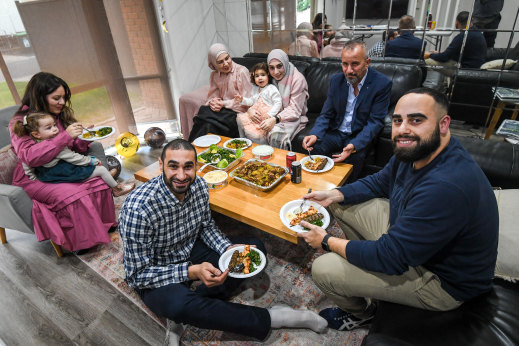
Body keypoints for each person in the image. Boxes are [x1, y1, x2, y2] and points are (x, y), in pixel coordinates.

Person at [297, 88, 498, 331]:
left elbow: (391, 257)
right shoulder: (417, 150)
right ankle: (362, 265)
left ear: (443, 124)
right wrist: (334, 193)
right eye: (397, 120)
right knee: (338, 202)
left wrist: (328, 241)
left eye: (416, 120)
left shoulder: (446, 186)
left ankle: (363, 314)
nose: (403, 129)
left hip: (441, 281)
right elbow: (380, 181)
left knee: (323, 268)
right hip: (414, 245)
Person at [118, 139, 328, 342]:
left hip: (189, 248)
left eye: (188, 167)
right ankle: (275, 317)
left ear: (197, 166)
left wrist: (228, 249)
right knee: (179, 305)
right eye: (173, 166)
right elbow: (137, 275)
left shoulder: (199, 185)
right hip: (156, 268)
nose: (181, 175)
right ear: (161, 165)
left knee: (254, 250)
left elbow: (206, 227)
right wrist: (190, 272)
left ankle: (192, 309)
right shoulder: (138, 209)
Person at [8, 72, 118, 252]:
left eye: (64, 98)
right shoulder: (21, 122)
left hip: (62, 166)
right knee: (73, 195)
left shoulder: (57, 114)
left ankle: (105, 224)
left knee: (98, 181)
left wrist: (83, 138)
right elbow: (29, 157)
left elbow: (71, 149)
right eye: (56, 98)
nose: (62, 103)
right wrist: (65, 136)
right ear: (40, 96)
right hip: (36, 176)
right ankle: (84, 242)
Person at [302, 40, 391, 181]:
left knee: (354, 160)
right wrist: (315, 134)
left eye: (355, 64)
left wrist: (354, 145)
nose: (349, 70)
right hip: (336, 132)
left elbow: (375, 122)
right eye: (345, 64)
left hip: (359, 134)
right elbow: (326, 114)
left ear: (367, 62)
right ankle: (316, 187)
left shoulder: (381, 84)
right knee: (315, 149)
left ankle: (341, 196)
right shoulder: (336, 80)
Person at [12, 112, 135, 196]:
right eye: (49, 128)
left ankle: (108, 185)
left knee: (92, 159)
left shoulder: (34, 145)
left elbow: (25, 162)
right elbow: (73, 158)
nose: (55, 129)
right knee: (101, 169)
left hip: (46, 176)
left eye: (54, 125)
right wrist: (91, 161)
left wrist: (33, 177)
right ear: (36, 134)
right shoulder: (55, 144)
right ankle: (117, 189)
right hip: (64, 173)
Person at [188, 43, 252, 141]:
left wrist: (223, 103)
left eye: (227, 58)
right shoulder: (214, 75)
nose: (226, 64)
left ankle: (190, 147)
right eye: (220, 62)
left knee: (207, 122)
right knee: (205, 117)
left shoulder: (242, 72)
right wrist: (213, 102)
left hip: (236, 112)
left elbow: (246, 101)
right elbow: (212, 96)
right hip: (221, 111)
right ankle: (192, 149)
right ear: (214, 64)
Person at [266, 49, 309, 150]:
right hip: (273, 113)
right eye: (271, 68)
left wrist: (275, 119)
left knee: (277, 137)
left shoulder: (298, 79)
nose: (276, 72)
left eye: (279, 66)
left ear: (285, 63)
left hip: (294, 117)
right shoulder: (269, 77)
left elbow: (295, 110)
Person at [235, 63, 282, 144]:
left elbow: (278, 103)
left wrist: (270, 114)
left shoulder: (271, 88)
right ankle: (242, 140)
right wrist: (242, 100)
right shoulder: (256, 89)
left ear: (268, 76)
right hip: (255, 115)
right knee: (239, 119)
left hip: (265, 116)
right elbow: (252, 101)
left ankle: (262, 148)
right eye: (257, 76)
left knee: (257, 135)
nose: (260, 78)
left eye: (263, 75)